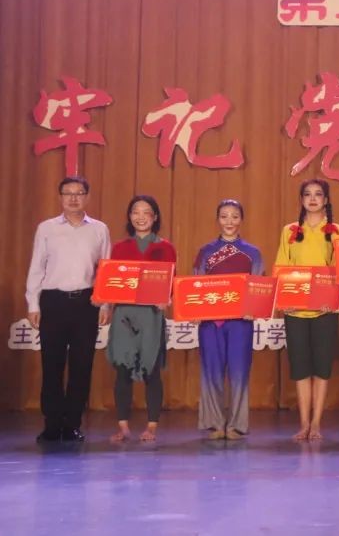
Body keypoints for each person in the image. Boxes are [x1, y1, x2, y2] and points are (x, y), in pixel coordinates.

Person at [26, 176, 112, 442]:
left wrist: (105, 303)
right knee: (51, 364)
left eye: (79, 193)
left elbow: (106, 270)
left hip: (87, 302)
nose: (74, 198)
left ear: (87, 196)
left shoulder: (99, 230)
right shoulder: (47, 228)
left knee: (81, 366)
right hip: (53, 301)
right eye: (68, 193)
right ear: (60, 197)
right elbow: (37, 267)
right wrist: (33, 303)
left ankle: (73, 423)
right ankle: (52, 424)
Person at [275, 179, 339, 442]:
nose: (313, 199)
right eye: (307, 194)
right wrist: (284, 299)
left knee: (322, 369)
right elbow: (281, 267)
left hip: (325, 310)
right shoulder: (289, 231)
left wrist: (333, 299)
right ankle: (303, 423)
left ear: (326, 200)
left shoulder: (336, 231)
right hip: (295, 311)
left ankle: (316, 423)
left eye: (318, 194)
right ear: (301, 199)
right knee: (300, 369)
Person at [106, 195, 177, 443]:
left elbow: (170, 283)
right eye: (136, 212)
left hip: (151, 315)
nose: (141, 217)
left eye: (147, 212)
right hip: (124, 315)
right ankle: (123, 427)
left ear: (155, 217)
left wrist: (166, 297)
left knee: (151, 371)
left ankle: (152, 427)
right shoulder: (119, 248)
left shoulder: (166, 247)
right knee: (122, 371)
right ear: (129, 216)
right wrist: (104, 299)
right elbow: (110, 281)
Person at [193, 199, 264, 440]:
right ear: (217, 219)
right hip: (210, 322)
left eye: (234, 216)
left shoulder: (253, 252)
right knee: (211, 370)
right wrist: (195, 312)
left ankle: (237, 425)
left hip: (240, 322)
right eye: (224, 216)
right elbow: (197, 284)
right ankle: (214, 423)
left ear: (241, 219)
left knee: (239, 371)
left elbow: (259, 285)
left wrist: (253, 308)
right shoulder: (206, 251)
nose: (229, 221)